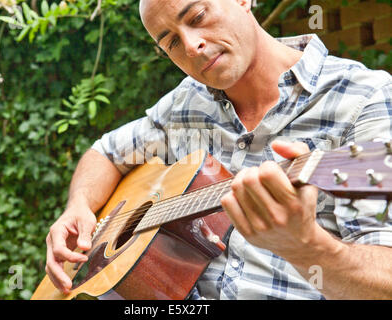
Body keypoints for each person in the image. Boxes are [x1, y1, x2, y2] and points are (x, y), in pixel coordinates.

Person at [44, 0, 392, 299]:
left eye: (197, 17)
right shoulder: (185, 103)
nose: (191, 45)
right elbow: (106, 151)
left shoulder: (364, 99)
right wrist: (78, 206)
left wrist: (306, 247)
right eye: (171, 43)